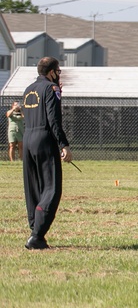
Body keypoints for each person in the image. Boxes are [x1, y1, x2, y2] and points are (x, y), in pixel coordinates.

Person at [21, 56, 72, 250]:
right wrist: (63, 144)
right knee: (51, 188)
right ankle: (37, 235)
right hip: (44, 138)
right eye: (58, 72)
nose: (58, 76)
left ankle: (35, 229)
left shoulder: (28, 89)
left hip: (28, 139)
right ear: (51, 72)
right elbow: (53, 119)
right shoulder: (52, 89)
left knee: (33, 188)